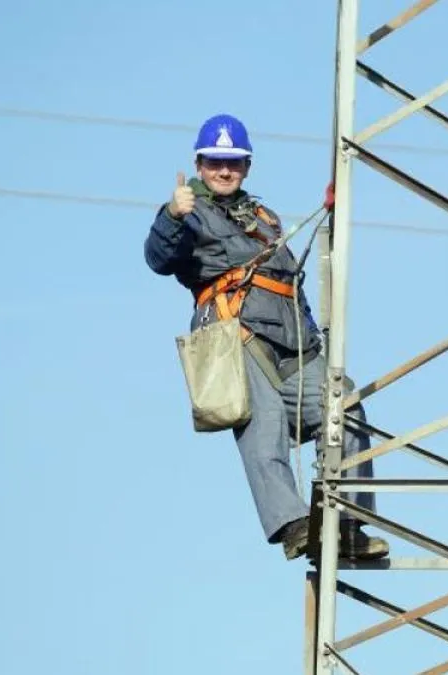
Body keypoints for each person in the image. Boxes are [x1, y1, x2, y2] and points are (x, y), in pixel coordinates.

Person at [144, 113, 389, 562]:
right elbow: (159, 258)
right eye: (215, 162)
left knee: (344, 407)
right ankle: (295, 525)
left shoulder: (262, 216)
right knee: (265, 422)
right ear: (199, 165)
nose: (224, 170)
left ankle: (349, 522)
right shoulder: (189, 214)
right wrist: (170, 216)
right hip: (238, 335)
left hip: (295, 341)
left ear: (247, 167)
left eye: (233, 163)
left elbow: (287, 279)